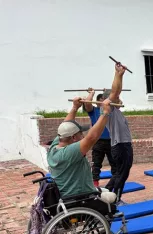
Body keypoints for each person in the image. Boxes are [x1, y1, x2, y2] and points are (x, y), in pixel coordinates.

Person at [47, 68, 126, 204]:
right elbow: (91, 138)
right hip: (80, 195)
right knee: (111, 197)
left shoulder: (55, 146)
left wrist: (74, 108)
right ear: (72, 138)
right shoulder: (70, 152)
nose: (81, 135)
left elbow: (66, 124)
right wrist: (105, 113)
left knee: (111, 177)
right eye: (79, 134)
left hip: (67, 193)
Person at [103, 64, 132, 204]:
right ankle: (116, 199)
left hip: (123, 145)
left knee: (121, 172)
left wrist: (121, 75)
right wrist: (118, 74)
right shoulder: (111, 111)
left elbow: (116, 92)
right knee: (122, 173)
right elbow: (115, 92)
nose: (120, 100)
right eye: (117, 99)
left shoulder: (117, 112)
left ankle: (106, 192)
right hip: (120, 146)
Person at [82, 88, 116, 188]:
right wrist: (92, 93)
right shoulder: (94, 111)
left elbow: (118, 99)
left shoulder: (110, 110)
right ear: (98, 101)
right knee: (96, 164)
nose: (103, 101)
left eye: (104, 99)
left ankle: (114, 184)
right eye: (101, 99)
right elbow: (87, 103)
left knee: (115, 165)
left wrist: (108, 91)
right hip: (98, 141)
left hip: (111, 141)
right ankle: (95, 185)